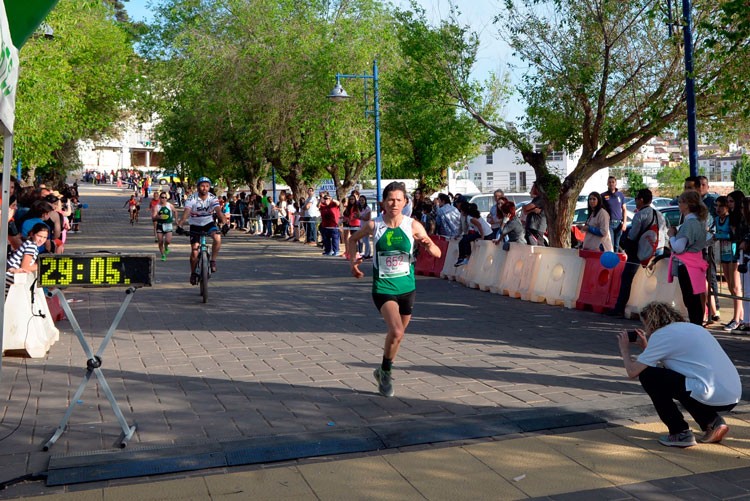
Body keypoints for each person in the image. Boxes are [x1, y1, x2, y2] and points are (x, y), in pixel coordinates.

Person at [346, 182, 441, 397]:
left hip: (407, 287)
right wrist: (353, 262)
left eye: (399, 200)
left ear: (405, 202)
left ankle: (383, 370)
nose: (394, 204)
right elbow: (352, 239)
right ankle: (387, 374)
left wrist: (427, 243)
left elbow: (437, 253)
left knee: (398, 336)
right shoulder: (374, 225)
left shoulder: (413, 225)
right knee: (396, 330)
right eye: (390, 199)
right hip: (383, 286)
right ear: (383, 203)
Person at [617, 302, 740, 447]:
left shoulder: (660, 335)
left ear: (651, 322)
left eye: (645, 324)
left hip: (708, 391)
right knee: (681, 383)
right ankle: (713, 422)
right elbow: (673, 366)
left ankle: (679, 432)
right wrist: (646, 347)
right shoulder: (693, 328)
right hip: (732, 394)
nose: (645, 329)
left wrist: (624, 350)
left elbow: (633, 372)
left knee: (648, 376)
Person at [609, 189, 667, 317]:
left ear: (641, 199)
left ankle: (619, 308)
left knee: (626, 278)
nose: (635, 201)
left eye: (636, 199)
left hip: (640, 252)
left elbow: (633, 235)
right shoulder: (660, 215)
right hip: (658, 251)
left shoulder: (640, 215)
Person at [668, 191, 708, 325]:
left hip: (687, 265)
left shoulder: (689, 223)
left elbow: (678, 247)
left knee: (690, 300)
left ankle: (695, 327)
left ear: (688, 205)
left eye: (681, 202)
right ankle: (697, 326)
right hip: (696, 263)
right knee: (695, 299)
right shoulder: (700, 222)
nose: (679, 205)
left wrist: (672, 236)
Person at [178, 177, 228, 284]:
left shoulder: (212, 198)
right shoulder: (192, 198)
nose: (204, 188)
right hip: (195, 225)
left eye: (207, 186)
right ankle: (193, 273)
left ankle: (213, 260)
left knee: (217, 238)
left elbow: (219, 212)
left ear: (209, 187)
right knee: (195, 252)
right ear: (198, 187)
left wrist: (225, 223)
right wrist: (180, 225)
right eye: (202, 186)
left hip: (208, 223)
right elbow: (186, 213)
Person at [714, 196, 743, 331]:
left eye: (721, 206)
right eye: (717, 206)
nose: (718, 209)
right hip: (723, 253)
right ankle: (740, 315)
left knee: (736, 287)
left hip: (733, 253)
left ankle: (736, 318)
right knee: (730, 287)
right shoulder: (716, 220)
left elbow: (733, 236)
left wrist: (719, 236)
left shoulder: (732, 219)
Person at [6, 223, 48, 296]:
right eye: (39, 236)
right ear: (32, 234)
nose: (41, 240)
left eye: (44, 237)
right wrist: (43, 266)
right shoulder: (31, 246)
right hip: (8, 279)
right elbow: (25, 267)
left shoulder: (29, 243)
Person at [601, 176, 627, 251]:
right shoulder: (603, 195)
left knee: (616, 245)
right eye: (609, 182)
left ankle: (616, 262)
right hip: (609, 224)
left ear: (616, 183)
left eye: (613, 182)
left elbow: (624, 209)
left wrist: (624, 223)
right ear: (607, 184)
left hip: (619, 224)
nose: (611, 183)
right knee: (610, 245)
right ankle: (610, 261)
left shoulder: (620, 195)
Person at [152, 192, 176, 261]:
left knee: (168, 240)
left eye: (165, 198)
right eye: (162, 197)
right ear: (160, 198)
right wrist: (158, 217)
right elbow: (153, 218)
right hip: (160, 225)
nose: (164, 199)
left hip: (168, 225)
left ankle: (166, 246)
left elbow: (175, 211)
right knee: (160, 241)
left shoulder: (169, 205)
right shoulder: (157, 207)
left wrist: (176, 220)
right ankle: (163, 255)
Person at [318, 191, 341, 256]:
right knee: (326, 239)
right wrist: (321, 198)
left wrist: (331, 199)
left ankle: (336, 251)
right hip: (325, 225)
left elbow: (338, 203)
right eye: (325, 199)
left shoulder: (333, 204)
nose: (326, 200)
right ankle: (328, 251)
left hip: (333, 225)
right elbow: (318, 206)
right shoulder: (323, 206)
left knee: (335, 239)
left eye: (327, 199)